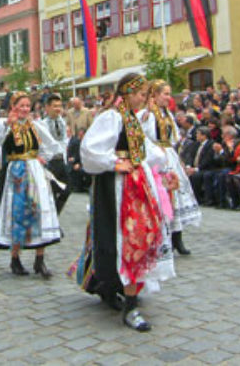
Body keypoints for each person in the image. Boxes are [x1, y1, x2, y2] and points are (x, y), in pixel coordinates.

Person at [76, 73, 174, 332]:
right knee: (127, 237)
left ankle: (121, 288)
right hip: (118, 188)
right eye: (141, 93)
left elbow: (144, 150)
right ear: (128, 93)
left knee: (139, 236)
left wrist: (165, 167)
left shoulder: (131, 119)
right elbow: (90, 149)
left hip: (138, 184)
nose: (144, 98)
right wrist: (115, 162)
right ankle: (127, 301)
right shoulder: (112, 117)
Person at [0, 91, 65, 278]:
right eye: (21, 106)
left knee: (40, 211)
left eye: (28, 106)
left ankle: (40, 259)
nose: (25, 109)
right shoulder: (6, 126)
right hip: (16, 174)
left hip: (34, 171)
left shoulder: (35, 126)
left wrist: (41, 159)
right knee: (17, 213)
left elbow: (51, 145)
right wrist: (6, 123)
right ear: (13, 107)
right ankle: (15, 258)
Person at [139, 79, 201, 256]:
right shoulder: (148, 114)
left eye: (168, 93)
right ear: (155, 95)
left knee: (176, 195)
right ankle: (162, 238)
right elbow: (146, 135)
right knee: (162, 195)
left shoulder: (166, 113)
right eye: (165, 94)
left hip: (168, 154)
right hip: (155, 156)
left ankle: (177, 237)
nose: (168, 97)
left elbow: (173, 137)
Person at [43, 94, 71, 213]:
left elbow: (64, 140)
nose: (58, 109)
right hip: (50, 162)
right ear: (47, 108)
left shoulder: (62, 122)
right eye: (54, 106)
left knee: (68, 188)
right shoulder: (43, 124)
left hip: (61, 160)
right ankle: (53, 222)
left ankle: (56, 213)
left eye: (59, 106)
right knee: (52, 192)